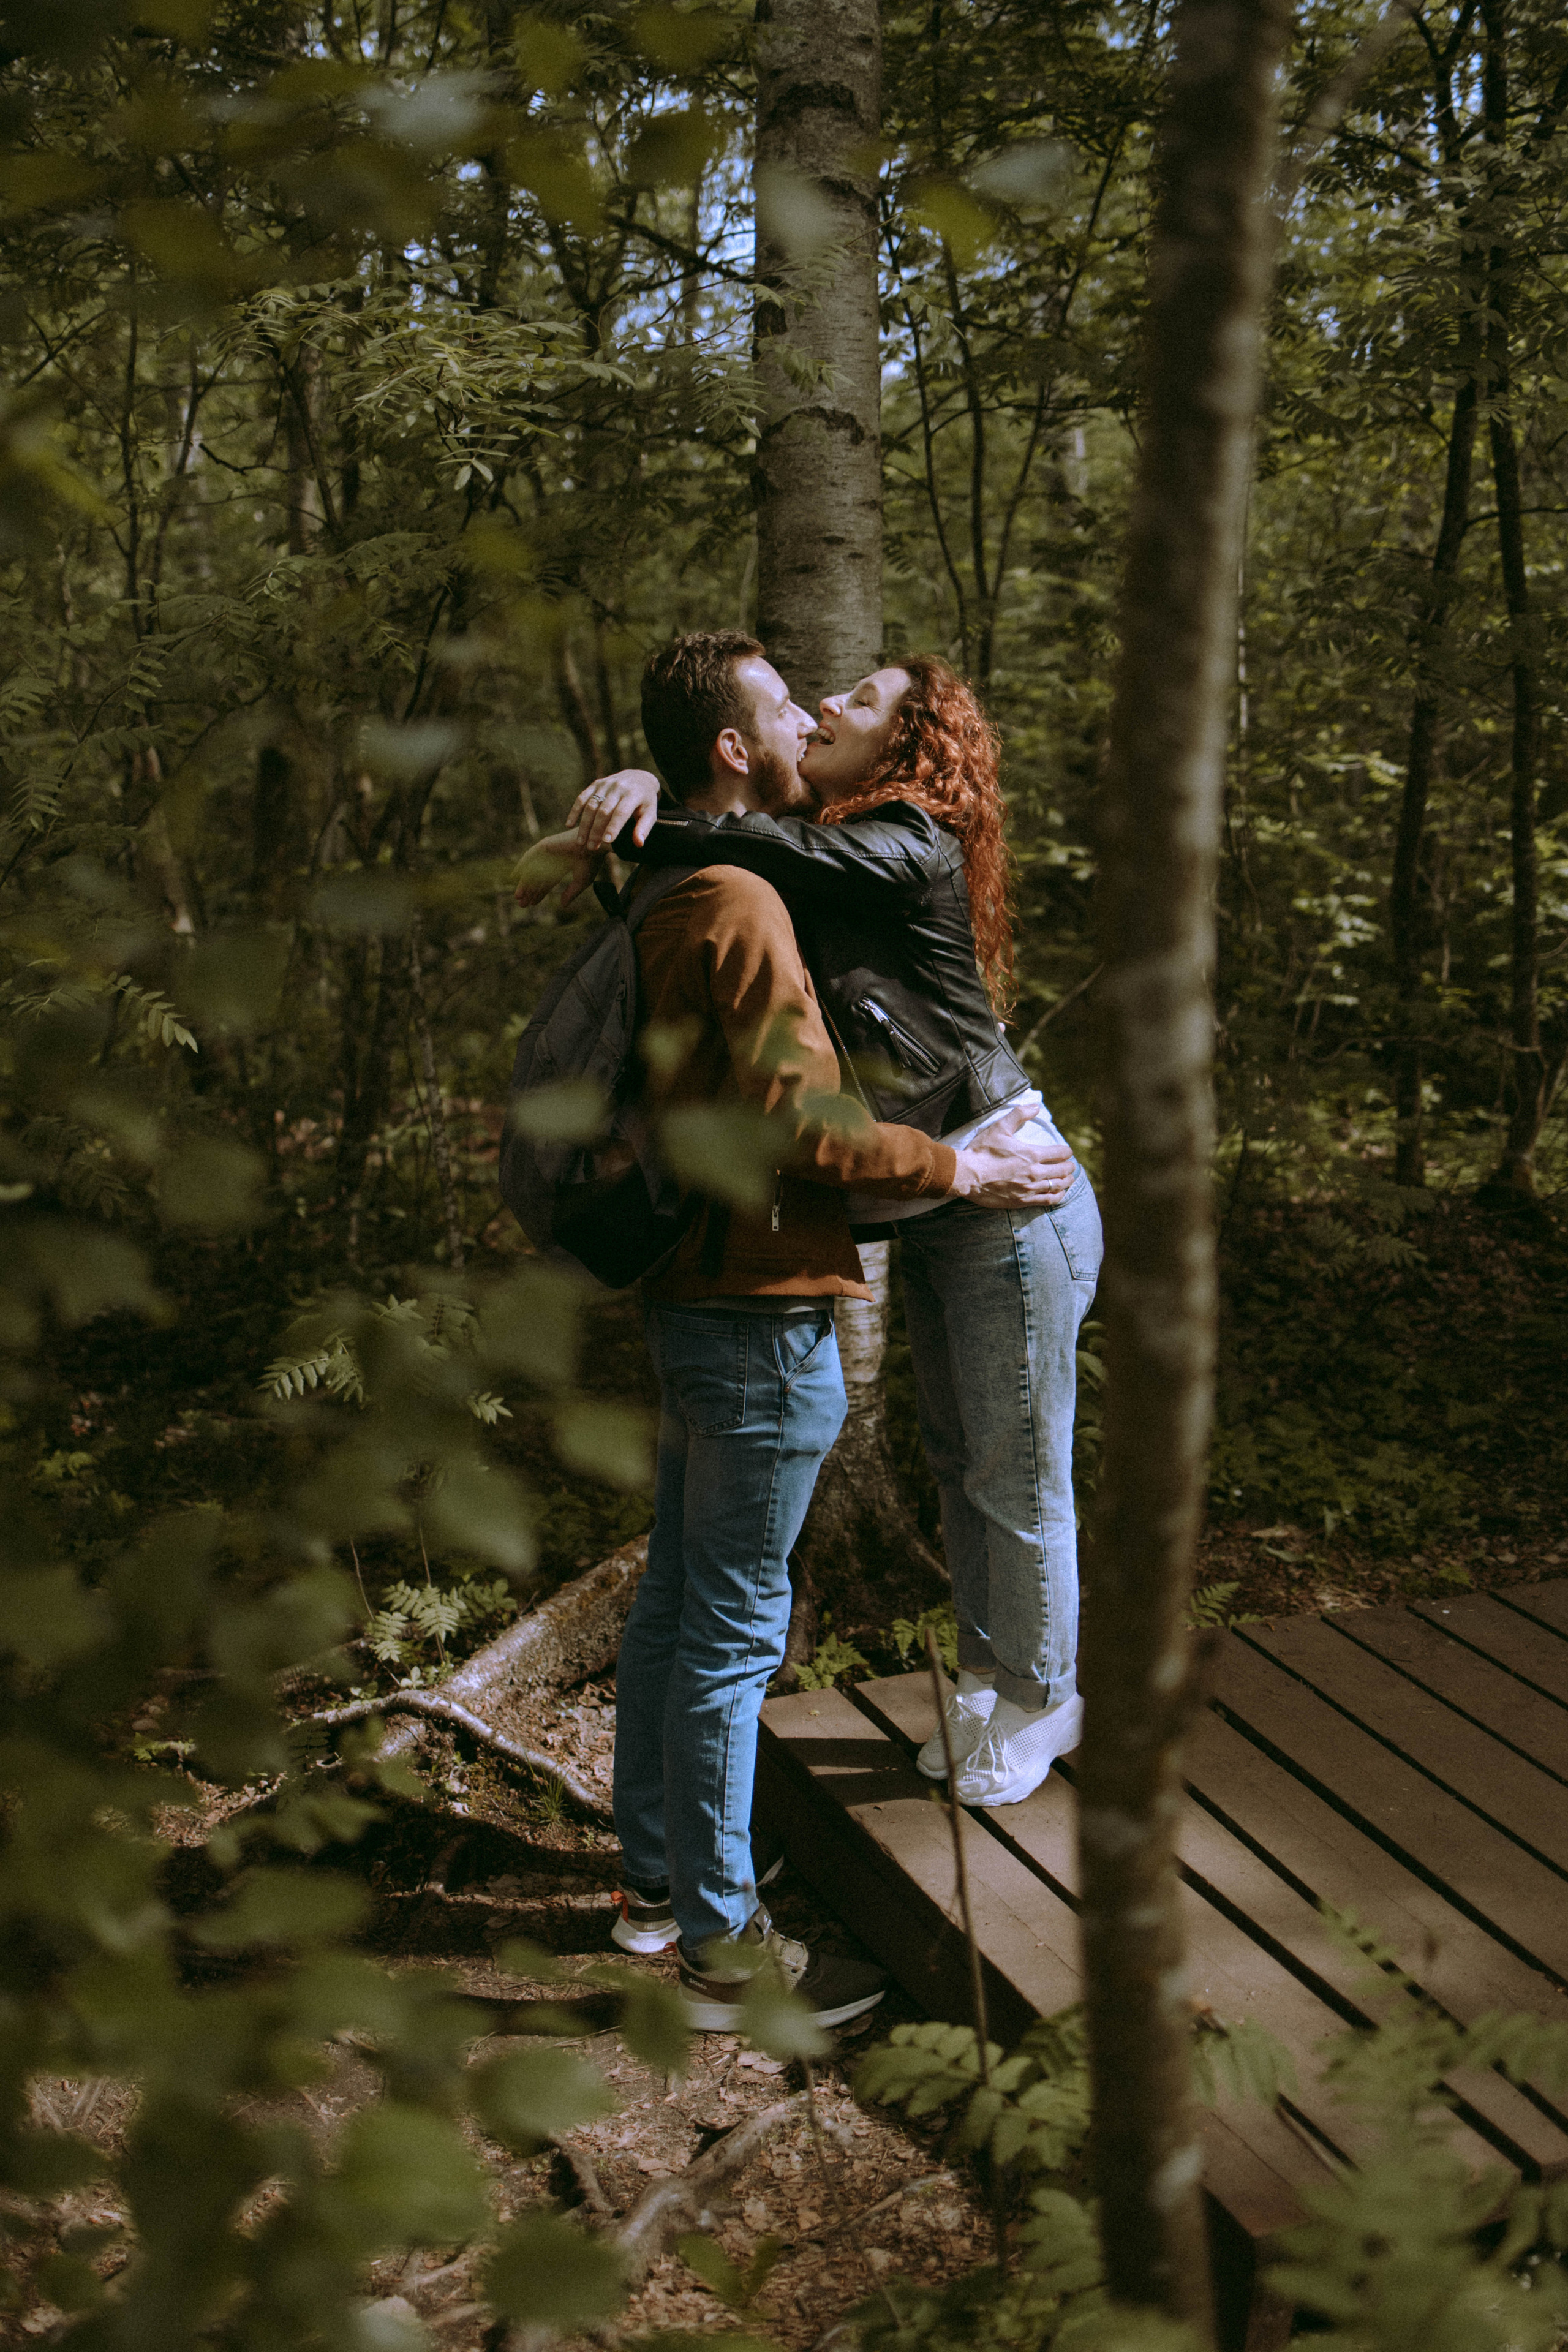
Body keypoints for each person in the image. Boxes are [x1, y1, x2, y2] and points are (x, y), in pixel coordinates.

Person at [517, 634, 1075, 2028]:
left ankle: (657, 1891)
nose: (810, 713)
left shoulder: (708, 883)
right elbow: (800, 1126)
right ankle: (723, 1949)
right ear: (732, 747)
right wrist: (958, 1170)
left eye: (835, 703)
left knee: (679, 1606)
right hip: (760, 1303)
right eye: (784, 704)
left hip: (693, 1294)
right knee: (730, 1631)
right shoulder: (736, 904)